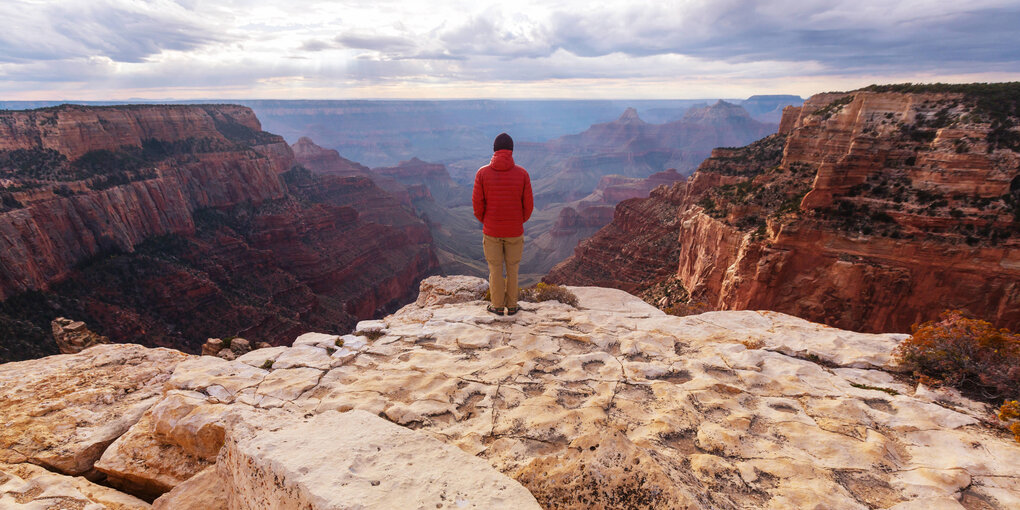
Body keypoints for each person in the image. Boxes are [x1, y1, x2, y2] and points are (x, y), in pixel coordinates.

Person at [472, 132, 534, 315]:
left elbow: (477, 205)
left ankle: (497, 306)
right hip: (515, 231)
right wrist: (516, 221)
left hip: (491, 231)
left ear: (494, 150)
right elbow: (528, 207)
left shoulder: (482, 173)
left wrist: (489, 221)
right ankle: (512, 306)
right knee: (513, 269)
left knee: (495, 269)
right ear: (511, 151)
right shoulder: (522, 174)